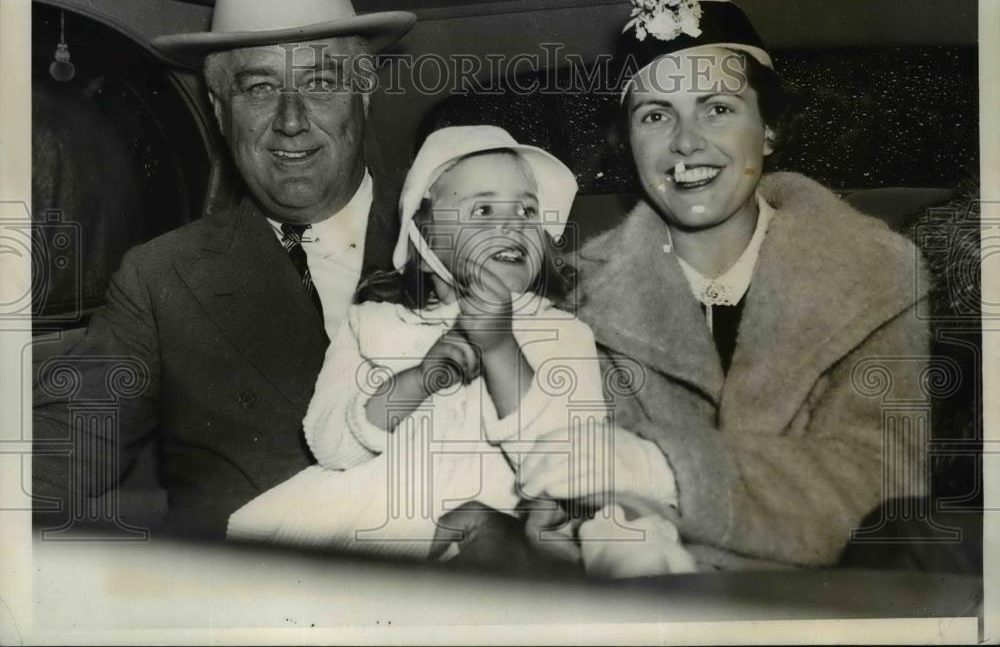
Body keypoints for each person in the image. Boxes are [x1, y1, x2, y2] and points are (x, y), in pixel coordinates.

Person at [519, 0, 931, 570]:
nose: (686, 143)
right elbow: (556, 483)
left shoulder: (877, 274)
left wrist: (661, 467)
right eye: (656, 116)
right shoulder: (570, 293)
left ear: (768, 130)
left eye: (716, 108)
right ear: (628, 143)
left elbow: (884, 483)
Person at [32, 0, 416, 538]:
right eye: (260, 88)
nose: (291, 122)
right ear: (218, 108)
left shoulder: (464, 234)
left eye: (319, 83)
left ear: (364, 87)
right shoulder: (162, 281)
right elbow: (55, 460)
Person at [225, 126, 696, 577]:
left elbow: (567, 458)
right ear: (425, 235)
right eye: (485, 211)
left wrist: (500, 348)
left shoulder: (560, 331)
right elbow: (330, 445)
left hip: (495, 534)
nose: (512, 226)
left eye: (528, 211)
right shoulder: (375, 324)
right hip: (368, 523)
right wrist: (419, 378)